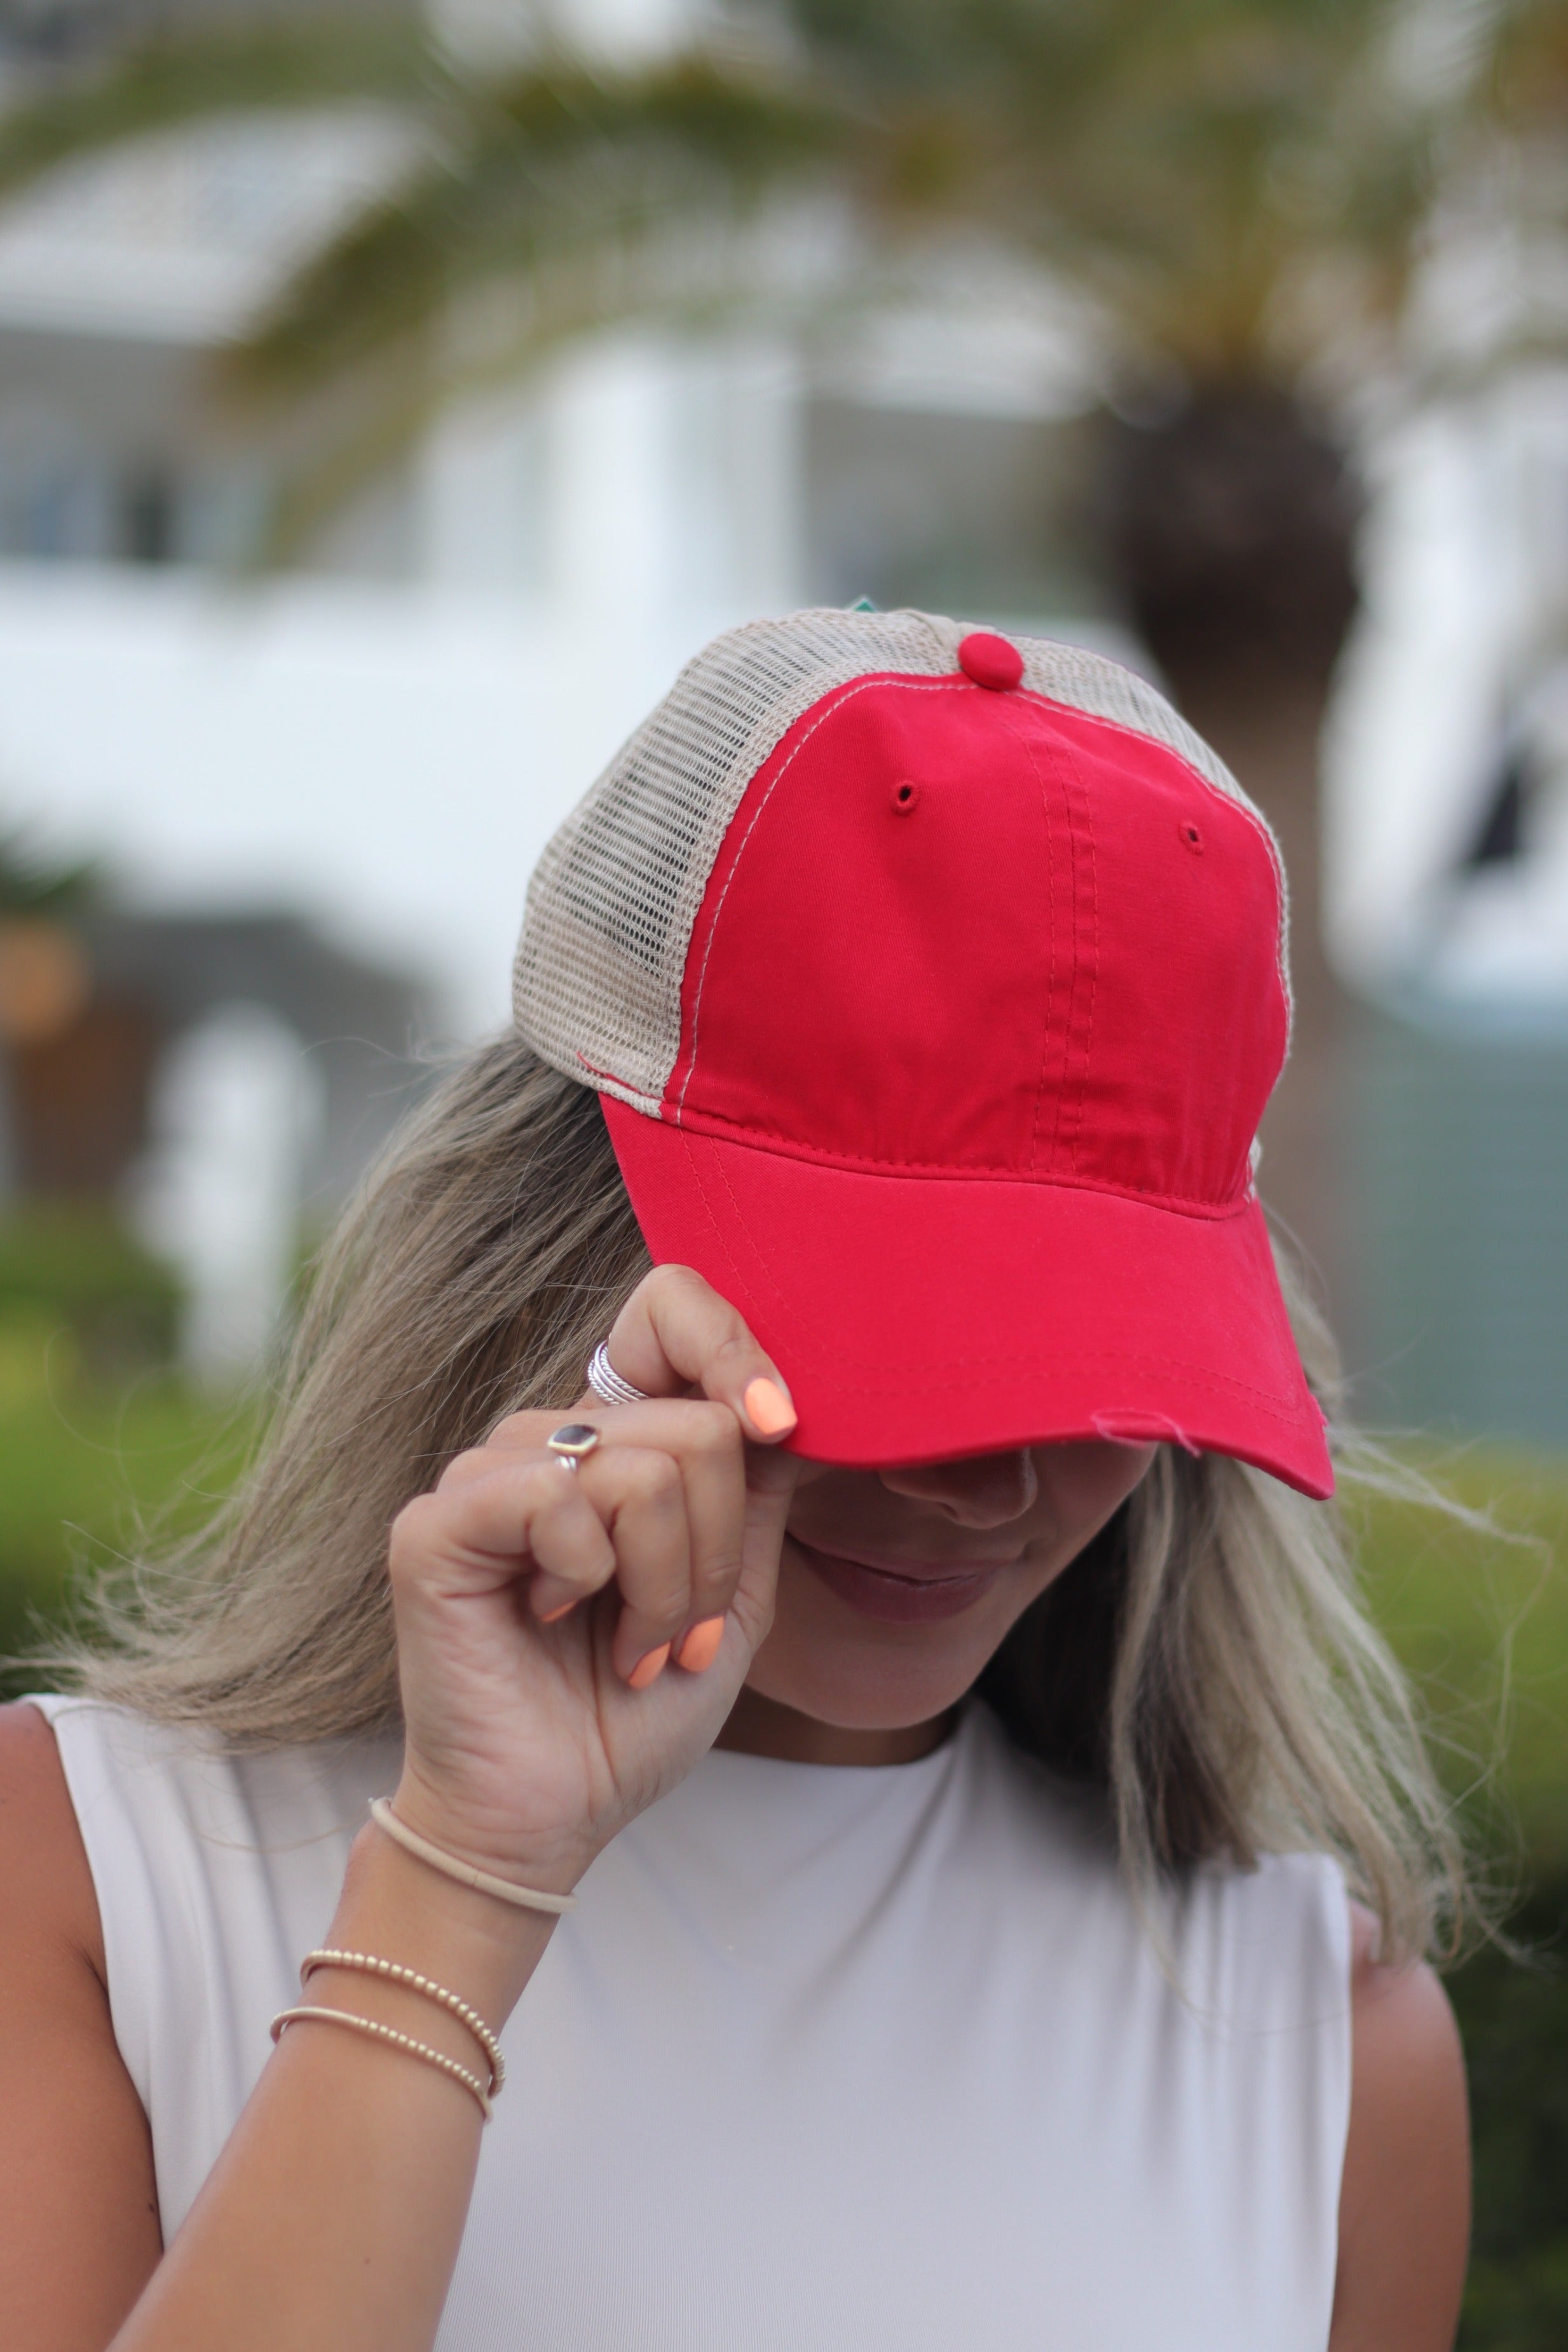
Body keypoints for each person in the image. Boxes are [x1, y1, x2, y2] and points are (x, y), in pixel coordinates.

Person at [0, 609, 1468, 2352]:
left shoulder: (1322, 2038)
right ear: (563, 1238)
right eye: (884, 1329)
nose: (985, 1483)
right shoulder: (84, 1872)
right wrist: (468, 1871)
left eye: (1096, 1354)